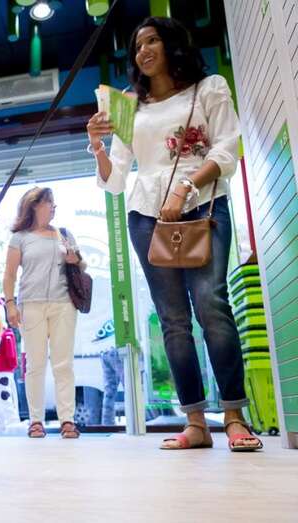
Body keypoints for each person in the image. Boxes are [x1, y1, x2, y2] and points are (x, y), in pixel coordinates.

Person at [87, 17, 262, 451]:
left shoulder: (210, 88)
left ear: (172, 45)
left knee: (212, 305)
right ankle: (196, 422)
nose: (142, 51)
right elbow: (115, 180)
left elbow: (226, 148)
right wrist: (96, 146)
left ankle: (236, 417)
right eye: (136, 46)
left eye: (151, 41)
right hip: (147, 215)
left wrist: (186, 187)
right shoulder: (129, 106)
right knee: (173, 321)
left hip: (203, 205)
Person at [3, 187, 82, 439]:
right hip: (31, 305)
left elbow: (81, 263)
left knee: (63, 364)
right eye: (49, 202)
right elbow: (10, 274)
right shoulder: (20, 238)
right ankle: (35, 421)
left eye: (54, 203)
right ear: (34, 205)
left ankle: (67, 420)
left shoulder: (64, 234)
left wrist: (75, 259)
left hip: (63, 304)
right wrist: (10, 304)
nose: (53, 207)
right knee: (35, 365)